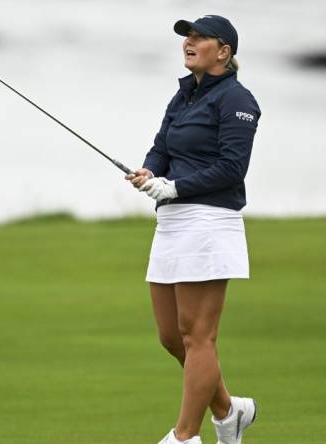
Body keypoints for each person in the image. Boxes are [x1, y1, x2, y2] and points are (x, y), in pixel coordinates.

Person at [125, 14, 261, 444]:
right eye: (188, 36)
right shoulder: (183, 95)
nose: (190, 42)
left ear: (223, 52)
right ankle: (228, 410)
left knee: (197, 336)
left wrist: (175, 186)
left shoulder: (238, 100)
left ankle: (185, 436)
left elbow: (231, 168)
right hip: (173, 219)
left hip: (210, 221)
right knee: (171, 336)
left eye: (200, 37)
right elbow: (163, 145)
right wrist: (151, 172)